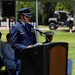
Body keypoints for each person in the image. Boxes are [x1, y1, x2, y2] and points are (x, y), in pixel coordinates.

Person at [10, 8, 37, 75]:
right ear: (21, 16)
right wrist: (26, 48)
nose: (29, 18)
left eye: (29, 16)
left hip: (31, 58)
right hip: (21, 58)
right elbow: (14, 44)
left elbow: (34, 41)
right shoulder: (16, 27)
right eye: (27, 16)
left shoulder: (30, 27)